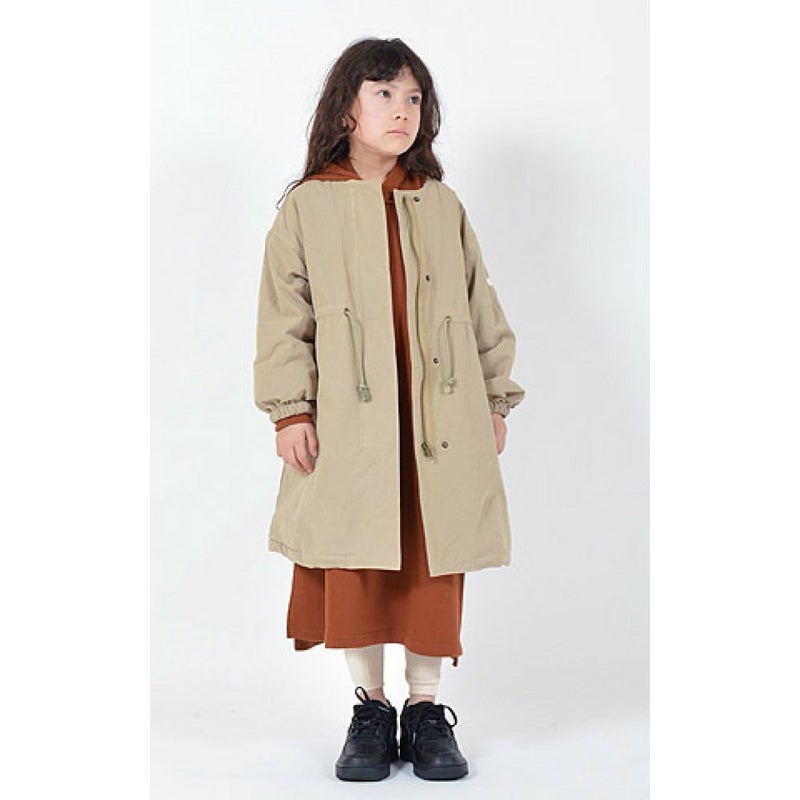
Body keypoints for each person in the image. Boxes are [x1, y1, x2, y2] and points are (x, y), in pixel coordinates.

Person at [253, 37, 525, 782]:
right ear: (345, 107)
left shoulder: (439, 203)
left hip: (441, 417)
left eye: (413, 98)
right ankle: (370, 709)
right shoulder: (307, 206)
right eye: (383, 94)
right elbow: (283, 319)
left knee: (434, 553)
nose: (402, 110)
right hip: (350, 420)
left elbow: (479, 302)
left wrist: (494, 395)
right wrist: (291, 411)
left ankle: (427, 709)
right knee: (357, 556)